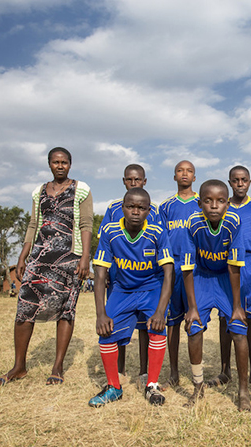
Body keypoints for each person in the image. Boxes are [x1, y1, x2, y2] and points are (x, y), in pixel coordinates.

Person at [0, 147, 92, 387]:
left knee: (66, 310)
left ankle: (57, 366)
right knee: (25, 308)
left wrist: (85, 257)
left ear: (70, 164)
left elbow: (86, 223)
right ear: (49, 164)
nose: (60, 166)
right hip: (40, 257)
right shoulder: (39, 191)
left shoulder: (81, 189)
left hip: (69, 258)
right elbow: (33, 224)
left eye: (64, 162)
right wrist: (23, 256)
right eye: (56, 162)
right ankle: (19, 366)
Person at [89, 188, 173, 407]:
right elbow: (99, 273)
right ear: (123, 208)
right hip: (122, 289)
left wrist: (161, 311)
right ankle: (113, 387)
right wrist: (100, 313)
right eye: (131, 206)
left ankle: (152, 385)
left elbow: (168, 272)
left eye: (141, 208)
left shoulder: (157, 232)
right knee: (106, 330)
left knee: (156, 327)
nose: (136, 211)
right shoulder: (109, 231)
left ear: (148, 210)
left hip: (151, 288)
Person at [181, 179, 251, 411]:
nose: (214, 206)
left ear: (227, 204)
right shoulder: (193, 223)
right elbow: (188, 267)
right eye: (208, 201)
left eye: (220, 201)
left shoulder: (234, 222)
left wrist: (237, 305)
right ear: (199, 203)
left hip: (225, 276)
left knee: (239, 327)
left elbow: (234, 266)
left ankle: (243, 392)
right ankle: (198, 386)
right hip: (201, 276)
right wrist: (191, 307)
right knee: (194, 327)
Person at [207, 166, 251, 388]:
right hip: (227, 266)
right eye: (236, 180)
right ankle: (225, 370)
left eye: (244, 180)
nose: (240, 184)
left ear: (249, 182)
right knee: (227, 317)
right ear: (230, 183)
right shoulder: (223, 205)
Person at [98, 164, 159, 388]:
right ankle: (119, 370)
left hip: (146, 275)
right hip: (120, 275)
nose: (133, 183)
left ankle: (145, 372)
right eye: (129, 180)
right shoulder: (113, 208)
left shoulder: (154, 211)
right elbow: (105, 244)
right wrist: (105, 274)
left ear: (144, 181)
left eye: (138, 180)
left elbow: (157, 242)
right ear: (124, 181)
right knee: (114, 323)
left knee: (146, 325)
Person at [158, 160, 198, 388]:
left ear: (195, 177)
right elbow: (161, 240)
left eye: (189, 171)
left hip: (194, 270)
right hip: (173, 269)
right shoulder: (166, 206)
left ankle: (196, 374)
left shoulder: (202, 203)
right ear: (174, 177)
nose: (184, 174)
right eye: (180, 171)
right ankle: (173, 372)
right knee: (172, 321)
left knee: (194, 319)